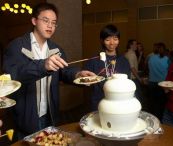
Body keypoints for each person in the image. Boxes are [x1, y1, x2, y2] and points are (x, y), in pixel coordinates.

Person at [3, 2, 95, 139]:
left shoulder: (56, 49)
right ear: (34, 20)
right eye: (45, 20)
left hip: (50, 114)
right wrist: (43, 66)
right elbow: (12, 76)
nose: (50, 25)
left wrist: (77, 74)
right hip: (26, 118)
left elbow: (64, 71)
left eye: (54, 22)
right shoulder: (16, 46)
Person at [84, 24, 130, 111]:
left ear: (119, 40)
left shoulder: (124, 61)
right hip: (98, 102)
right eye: (108, 39)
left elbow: (126, 83)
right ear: (102, 41)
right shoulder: (94, 60)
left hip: (117, 102)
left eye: (115, 39)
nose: (112, 43)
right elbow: (85, 81)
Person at [147, 42, 170, 120]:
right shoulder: (167, 59)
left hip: (152, 83)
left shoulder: (151, 58)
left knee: (152, 103)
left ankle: (152, 119)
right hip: (163, 84)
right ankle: (160, 120)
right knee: (161, 104)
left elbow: (148, 69)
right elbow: (170, 70)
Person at [125, 39, 144, 104]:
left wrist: (140, 55)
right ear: (130, 45)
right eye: (135, 44)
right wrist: (139, 79)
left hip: (133, 77)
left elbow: (135, 65)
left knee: (137, 96)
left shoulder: (131, 53)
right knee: (137, 97)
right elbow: (132, 68)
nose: (137, 45)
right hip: (133, 78)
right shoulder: (131, 54)